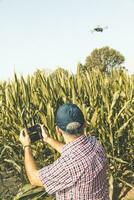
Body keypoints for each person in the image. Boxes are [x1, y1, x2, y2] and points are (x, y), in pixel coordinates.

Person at [19, 103, 109, 200]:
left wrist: (26, 146)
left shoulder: (67, 166)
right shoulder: (94, 142)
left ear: (58, 130)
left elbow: (34, 178)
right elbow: (74, 151)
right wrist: (48, 139)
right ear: (85, 123)